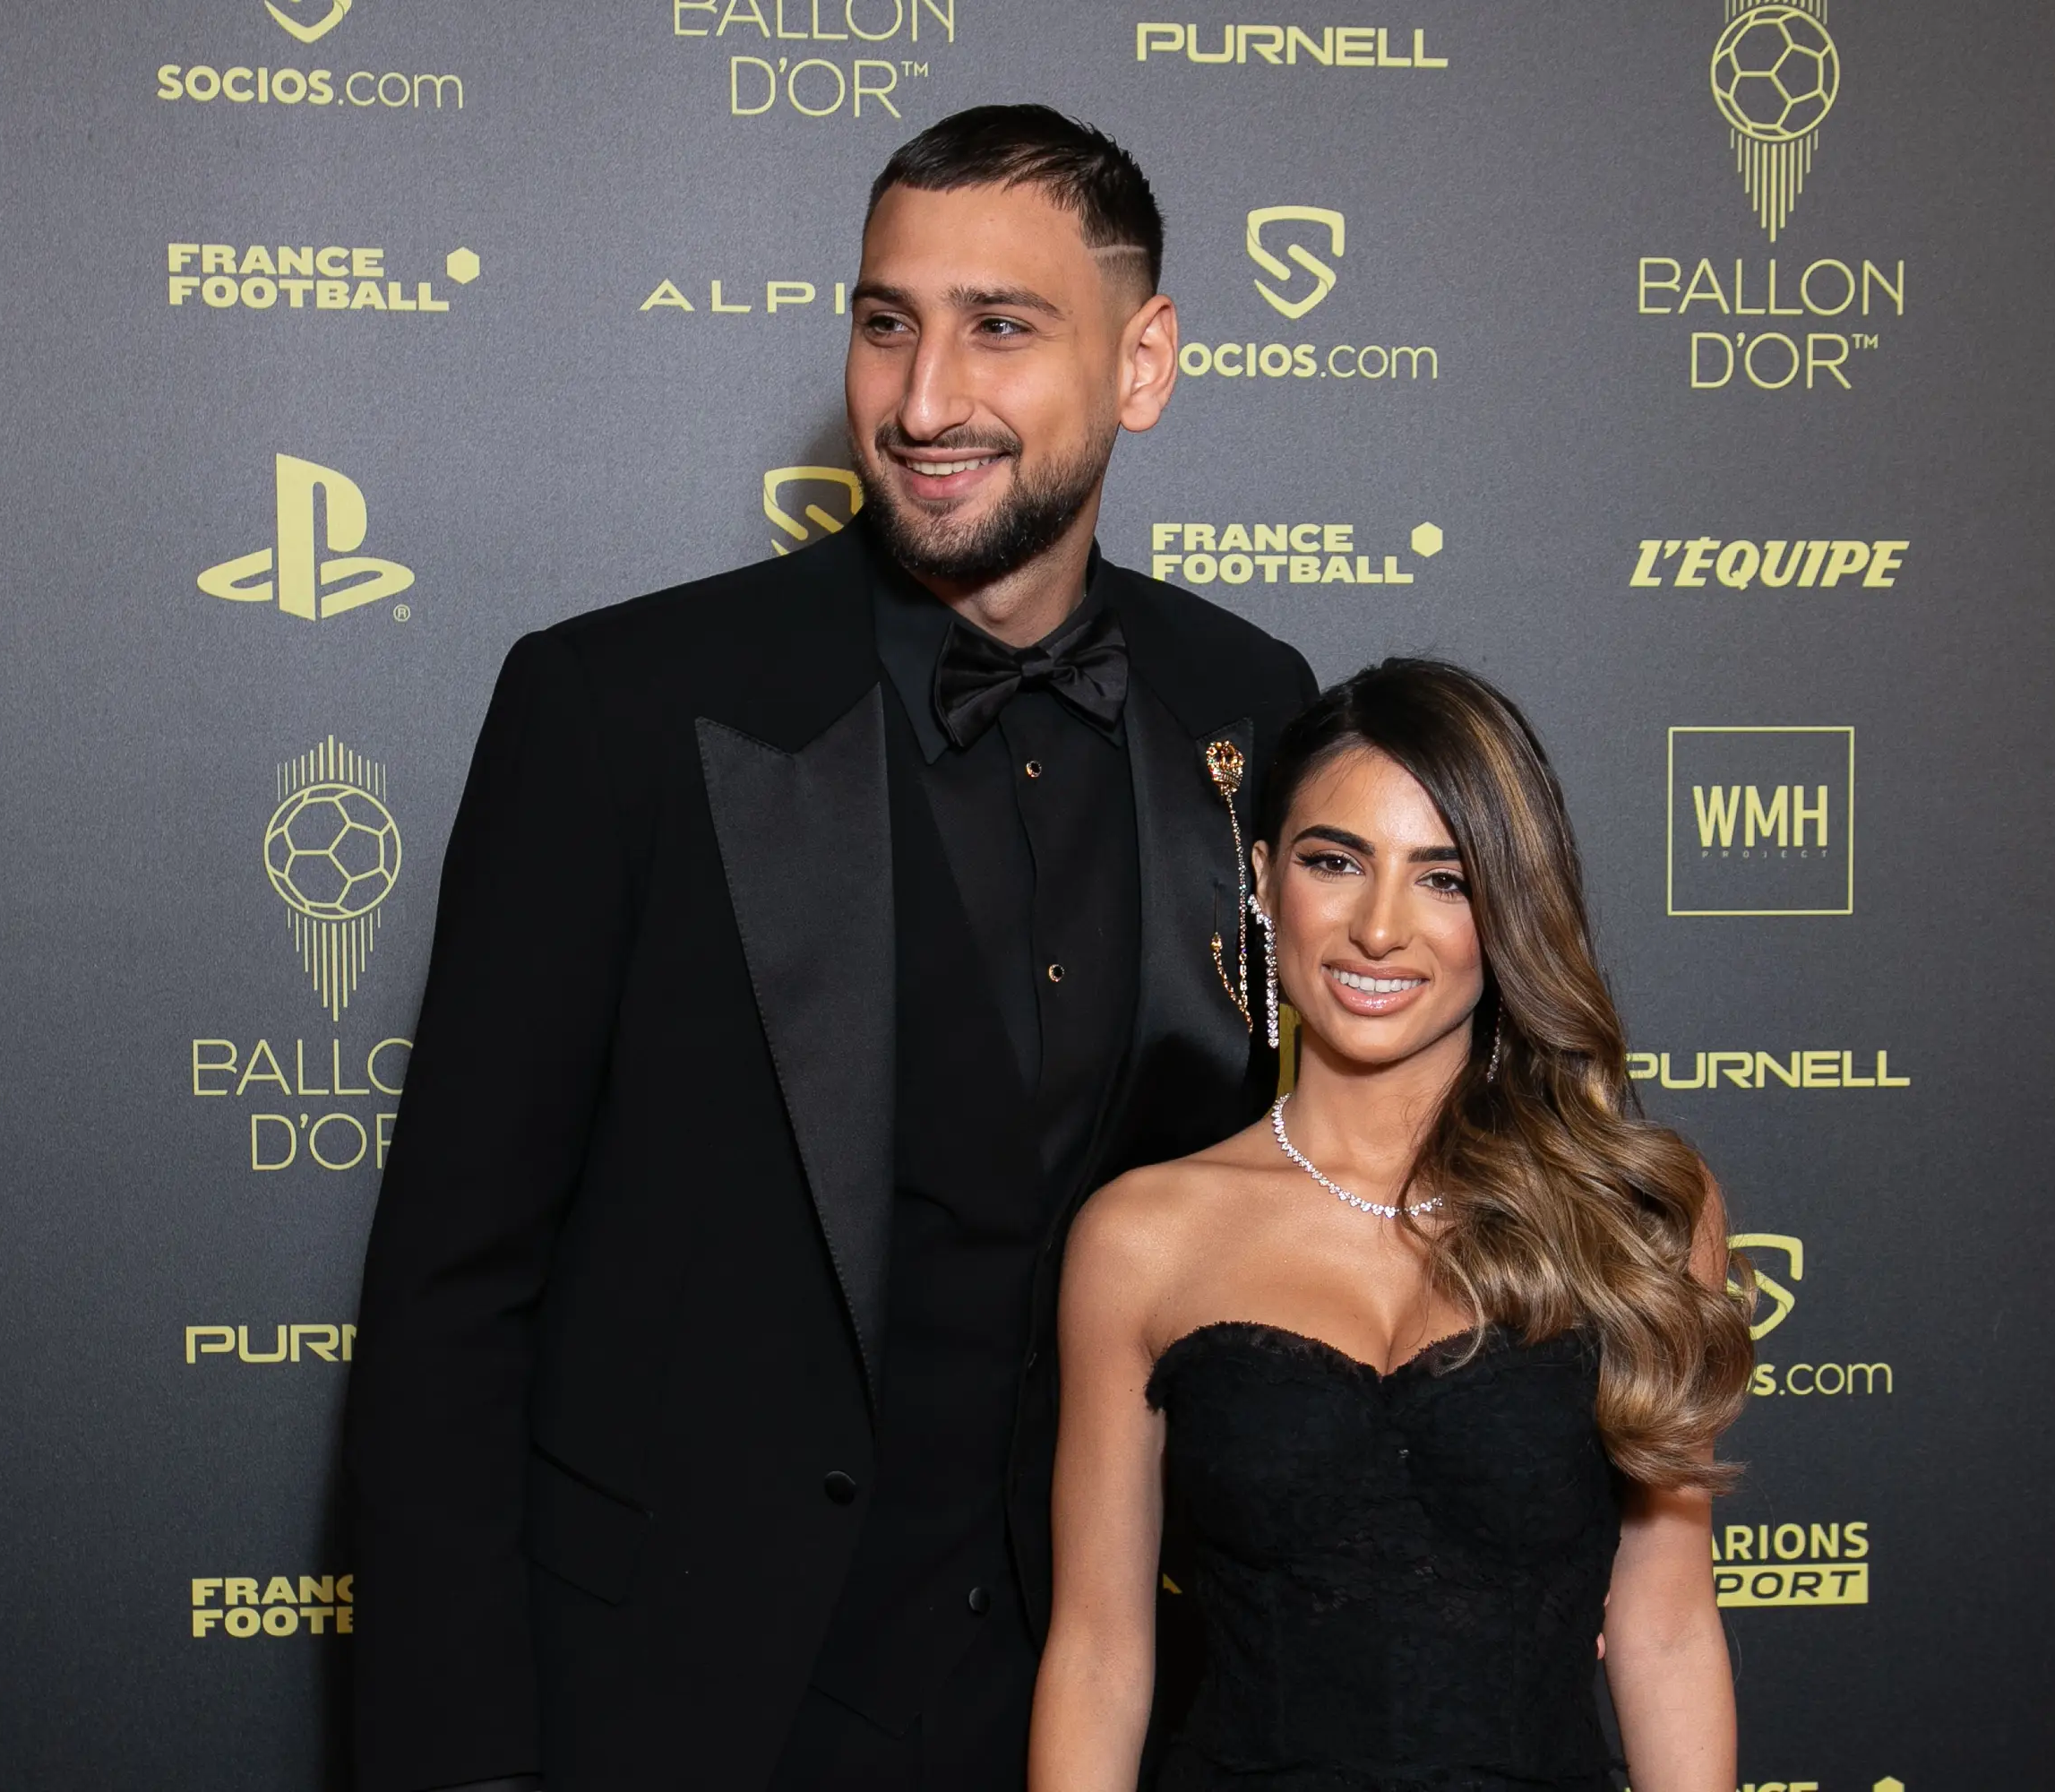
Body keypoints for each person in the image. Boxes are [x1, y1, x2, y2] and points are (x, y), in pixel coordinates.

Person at [344, 107, 1315, 1792]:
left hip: (1112, 1709)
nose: (924, 401)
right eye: (887, 322)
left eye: (999, 327)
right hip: (688, 1703)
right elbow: (450, 1300)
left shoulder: (1256, 704)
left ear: (1143, 362)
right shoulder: (621, 712)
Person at [1033, 660, 1754, 1792]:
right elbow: (1099, 1657)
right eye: (1335, 861)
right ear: (1267, 881)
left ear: (1508, 908)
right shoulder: (1142, 1236)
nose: (1378, 928)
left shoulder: (1641, 1214)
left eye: (1445, 879)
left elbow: (1664, 1633)